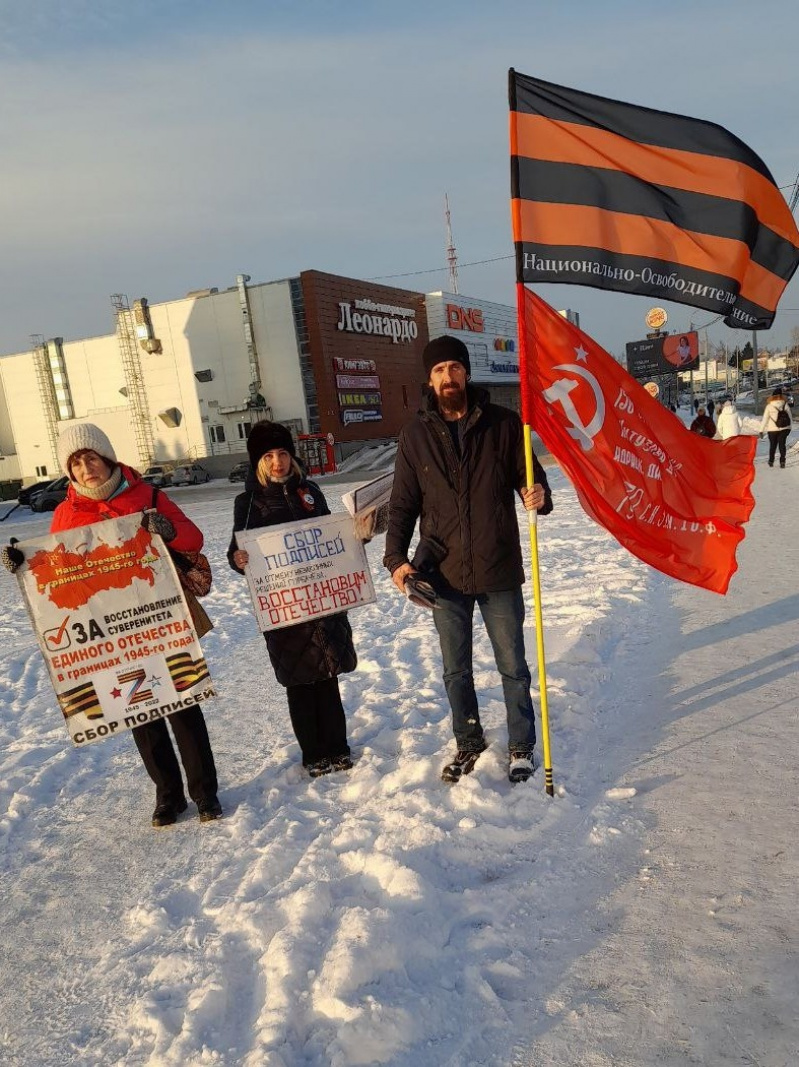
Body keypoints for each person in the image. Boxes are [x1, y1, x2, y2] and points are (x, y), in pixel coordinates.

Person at [1, 424, 222, 828]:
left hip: (160, 619)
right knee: (140, 711)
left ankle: (205, 793)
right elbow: (58, 569)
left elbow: (193, 538)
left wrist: (169, 532)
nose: (86, 467)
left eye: (91, 457)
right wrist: (24, 564)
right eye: (76, 462)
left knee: (182, 704)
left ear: (107, 459)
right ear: (69, 473)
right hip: (113, 631)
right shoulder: (66, 513)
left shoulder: (148, 496)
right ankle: (168, 796)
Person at [383, 335, 553, 785]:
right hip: (443, 572)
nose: (448, 377)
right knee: (456, 669)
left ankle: (521, 744)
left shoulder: (503, 424)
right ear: (429, 379)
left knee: (513, 665)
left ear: (466, 372)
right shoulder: (415, 435)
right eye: (439, 371)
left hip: (498, 567)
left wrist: (539, 494)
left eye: (454, 368)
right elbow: (402, 505)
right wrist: (396, 560)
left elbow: (530, 478)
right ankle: (469, 741)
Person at [228, 421, 357, 778]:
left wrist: (354, 537)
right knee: (300, 686)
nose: (277, 462)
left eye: (283, 453)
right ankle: (314, 753)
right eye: (268, 456)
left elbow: (332, 534)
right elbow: (236, 551)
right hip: (285, 611)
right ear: (258, 462)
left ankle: (338, 747)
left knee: (328, 679)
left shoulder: (310, 490)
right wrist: (238, 559)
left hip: (322, 604)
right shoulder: (249, 502)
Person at [759, 386, 792, 468]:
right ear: (781, 395)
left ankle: (771, 461)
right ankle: (782, 461)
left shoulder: (769, 406)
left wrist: (761, 431)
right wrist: (790, 427)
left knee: (773, 446)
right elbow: (790, 417)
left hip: (772, 429)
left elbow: (765, 419)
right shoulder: (785, 404)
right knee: (782, 445)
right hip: (784, 428)